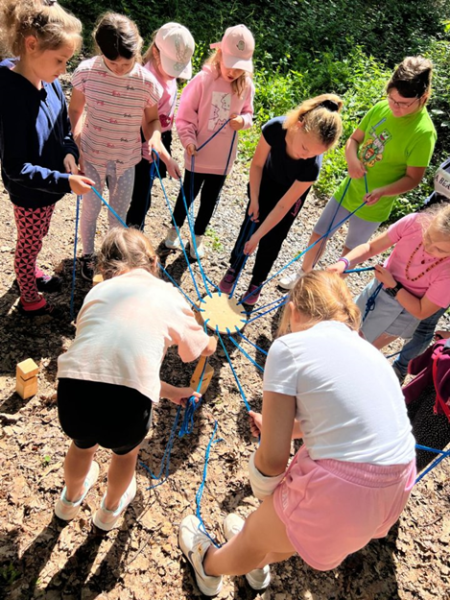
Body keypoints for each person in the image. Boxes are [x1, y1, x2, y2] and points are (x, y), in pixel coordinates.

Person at [179, 271, 416, 596]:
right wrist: (283, 430)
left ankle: (208, 565)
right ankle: (258, 558)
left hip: (340, 486)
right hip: (396, 484)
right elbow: (344, 422)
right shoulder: (371, 354)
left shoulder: (290, 348)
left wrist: (263, 481)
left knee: (253, 534)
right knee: (291, 531)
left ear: (294, 310)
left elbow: (273, 460)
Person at [55, 228, 217, 531]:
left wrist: (168, 392)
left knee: (81, 446)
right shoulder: (167, 294)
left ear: (105, 269)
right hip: (127, 406)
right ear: (153, 261)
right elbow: (198, 349)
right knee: (126, 455)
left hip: (74, 390)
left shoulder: (98, 292)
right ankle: (108, 512)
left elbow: (106, 366)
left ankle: (68, 501)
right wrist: (212, 342)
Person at [280, 56, 436, 291]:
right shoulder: (382, 108)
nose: (395, 106)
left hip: (374, 203)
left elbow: (413, 178)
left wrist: (383, 191)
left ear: (423, 98)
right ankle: (303, 275)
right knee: (320, 233)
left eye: (403, 103)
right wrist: (352, 160)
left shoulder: (423, 133)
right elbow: (354, 140)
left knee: (351, 251)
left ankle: (329, 292)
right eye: (392, 99)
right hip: (350, 188)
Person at [0, 0, 94, 316]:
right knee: (27, 246)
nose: (64, 69)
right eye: (60, 60)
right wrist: (65, 181)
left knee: (38, 236)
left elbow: (63, 125)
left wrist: (69, 152)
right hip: (29, 193)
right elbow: (16, 168)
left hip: (50, 188)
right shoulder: (12, 98)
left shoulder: (50, 82)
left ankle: (31, 270)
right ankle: (29, 296)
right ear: (31, 45)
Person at [69, 12, 179, 281]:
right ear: (100, 51)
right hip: (92, 157)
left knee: (117, 217)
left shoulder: (147, 83)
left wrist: (155, 140)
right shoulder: (86, 73)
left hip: (127, 160)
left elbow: (152, 120)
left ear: (138, 50)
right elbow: (74, 110)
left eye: (126, 63)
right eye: (111, 62)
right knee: (90, 211)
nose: (119, 69)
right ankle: (87, 255)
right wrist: (78, 145)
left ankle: (110, 259)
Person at [218, 95, 343, 305]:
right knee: (250, 224)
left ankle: (257, 281)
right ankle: (235, 267)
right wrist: (255, 199)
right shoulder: (275, 128)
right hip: (264, 182)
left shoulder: (311, 167)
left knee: (273, 238)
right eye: (305, 148)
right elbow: (257, 165)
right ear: (299, 124)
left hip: (288, 197)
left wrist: (258, 236)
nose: (306, 156)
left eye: (314, 154)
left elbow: (284, 205)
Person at [164, 24, 255, 259]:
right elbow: (185, 115)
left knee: (209, 202)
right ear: (219, 53)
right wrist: (188, 140)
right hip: (198, 154)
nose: (233, 72)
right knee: (187, 195)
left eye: (239, 67)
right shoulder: (203, 80)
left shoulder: (246, 86)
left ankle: (197, 238)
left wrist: (242, 121)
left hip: (223, 160)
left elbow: (249, 113)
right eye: (230, 64)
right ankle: (174, 231)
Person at [328, 204, 450, 349]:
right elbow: (371, 247)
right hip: (378, 288)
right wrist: (344, 262)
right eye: (428, 236)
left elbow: (421, 310)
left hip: (402, 312)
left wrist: (394, 286)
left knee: (359, 349)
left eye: (439, 249)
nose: (428, 247)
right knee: (339, 329)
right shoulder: (413, 223)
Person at [126, 22, 195, 231]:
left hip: (158, 140)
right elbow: (147, 126)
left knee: (144, 197)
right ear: (155, 52)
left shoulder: (166, 76)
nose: (174, 73)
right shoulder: (146, 82)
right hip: (141, 143)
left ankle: (134, 232)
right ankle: (130, 238)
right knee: (139, 199)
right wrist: (167, 159)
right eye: (172, 65)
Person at [392, 157, 450, 383]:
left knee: (425, 322)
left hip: (444, 265)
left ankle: (401, 368)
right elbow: (436, 195)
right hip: (425, 243)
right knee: (399, 300)